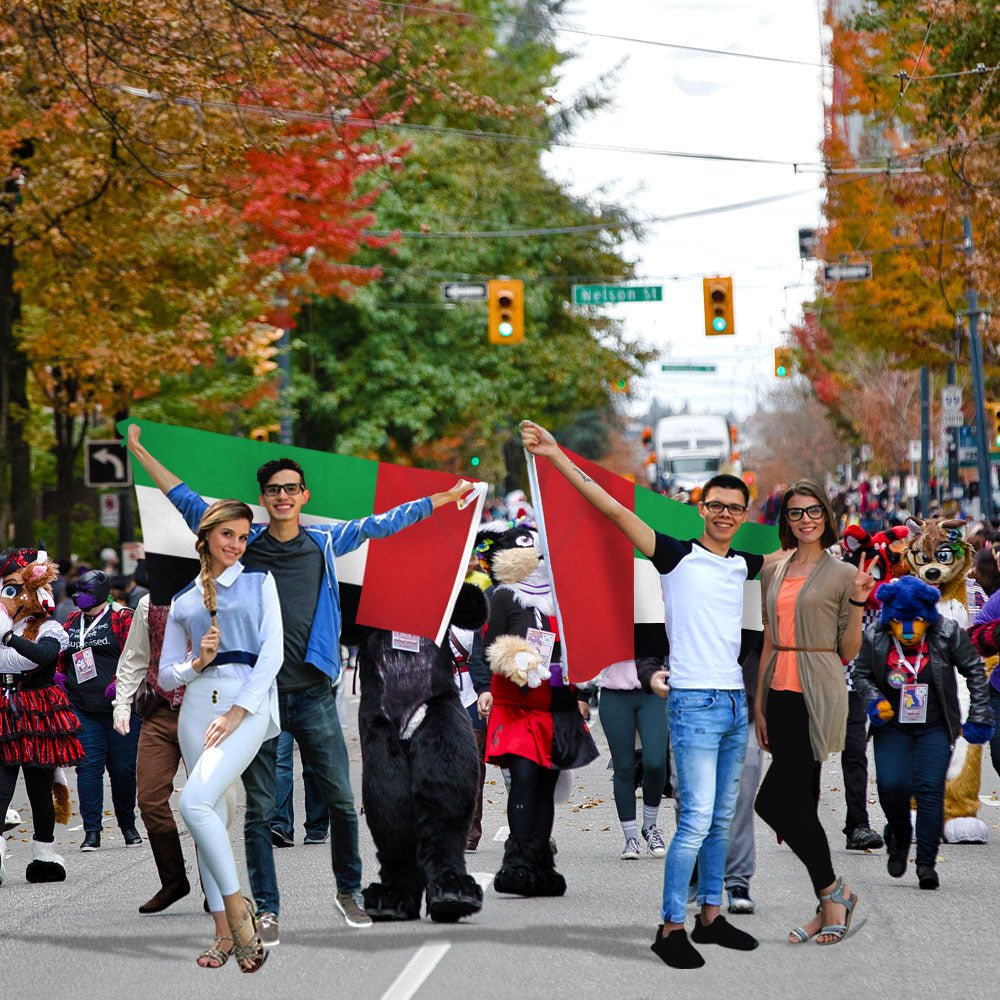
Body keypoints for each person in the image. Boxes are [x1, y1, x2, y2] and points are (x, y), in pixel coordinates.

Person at [127, 423, 473, 942]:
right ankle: (266, 909)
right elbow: (185, 500)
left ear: (303, 495)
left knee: (338, 799)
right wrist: (139, 452)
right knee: (261, 811)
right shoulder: (244, 545)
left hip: (313, 694)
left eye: (292, 488)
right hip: (257, 699)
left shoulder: (325, 542)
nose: (283, 496)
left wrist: (443, 498)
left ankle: (348, 892)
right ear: (262, 500)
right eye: (274, 490)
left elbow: (384, 523)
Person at [520, 419, 776, 970]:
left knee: (722, 814)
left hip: (733, 702)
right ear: (701, 509)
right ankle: (669, 927)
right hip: (693, 702)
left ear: (744, 514)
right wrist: (556, 454)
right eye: (717, 506)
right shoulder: (675, 556)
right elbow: (611, 507)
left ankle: (711, 917)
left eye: (736, 507)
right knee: (695, 820)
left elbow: (802, 554)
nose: (726, 514)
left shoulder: (745, 565)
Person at [159, 499, 280, 971]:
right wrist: (196, 663)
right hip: (195, 710)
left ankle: (239, 916)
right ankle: (221, 935)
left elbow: (272, 654)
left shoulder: (259, 582)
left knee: (193, 802)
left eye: (243, 536)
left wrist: (237, 711)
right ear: (207, 536)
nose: (236, 544)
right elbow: (167, 677)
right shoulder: (185, 599)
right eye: (228, 534)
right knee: (209, 816)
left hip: (244, 706)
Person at [754, 480, 873, 945]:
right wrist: (759, 704)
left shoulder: (843, 573)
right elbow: (767, 638)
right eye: (796, 513)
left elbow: (847, 649)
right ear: (786, 520)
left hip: (817, 690)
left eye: (814, 512)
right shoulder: (773, 569)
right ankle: (828, 901)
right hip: (778, 691)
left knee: (771, 801)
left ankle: (833, 892)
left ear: (827, 516)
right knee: (798, 804)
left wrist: (860, 602)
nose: (805, 520)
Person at [855, 575, 994, 890]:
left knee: (930, 790)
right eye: (901, 621)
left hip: (935, 726)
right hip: (892, 725)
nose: (908, 629)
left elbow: (974, 668)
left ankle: (927, 863)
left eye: (916, 620)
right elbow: (862, 674)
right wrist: (875, 700)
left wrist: (979, 713)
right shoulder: (875, 635)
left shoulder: (947, 633)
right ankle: (900, 836)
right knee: (892, 786)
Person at [112, 569, 195, 913]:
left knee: (208, 803)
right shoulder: (148, 604)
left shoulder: (218, 597)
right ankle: (174, 881)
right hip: (159, 713)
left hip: (203, 712)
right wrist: (121, 703)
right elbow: (134, 658)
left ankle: (218, 885)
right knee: (148, 799)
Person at [0, 547, 81, 885]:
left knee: (39, 787)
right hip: (4, 708)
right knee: (2, 788)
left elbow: (41, 657)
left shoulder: (49, 628)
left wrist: (7, 639)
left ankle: (44, 854)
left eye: (15, 588)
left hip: (38, 710)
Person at [60, 570, 141, 852]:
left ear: (100, 591)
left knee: (123, 770)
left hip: (121, 707)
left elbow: (137, 656)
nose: (78, 595)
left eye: (85, 590)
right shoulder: (72, 620)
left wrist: (120, 685)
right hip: (83, 707)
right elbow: (63, 655)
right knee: (88, 769)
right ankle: (92, 830)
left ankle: (128, 825)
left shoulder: (122, 617)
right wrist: (60, 677)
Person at [601, 627, 669, 862]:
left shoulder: (650, 599)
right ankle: (630, 837)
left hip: (652, 692)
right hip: (614, 693)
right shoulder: (607, 603)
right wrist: (580, 696)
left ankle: (650, 827)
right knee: (624, 767)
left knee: (656, 761)